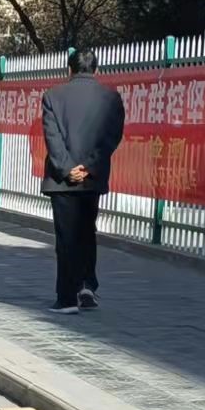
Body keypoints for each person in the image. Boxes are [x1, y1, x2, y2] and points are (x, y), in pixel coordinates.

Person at [39, 48, 125, 313]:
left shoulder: (53, 96)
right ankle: (87, 284)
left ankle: (67, 298)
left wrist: (67, 169)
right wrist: (89, 167)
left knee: (67, 237)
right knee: (87, 231)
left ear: (70, 69)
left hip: (63, 181)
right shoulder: (111, 98)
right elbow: (111, 138)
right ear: (96, 70)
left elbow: (52, 138)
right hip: (92, 179)